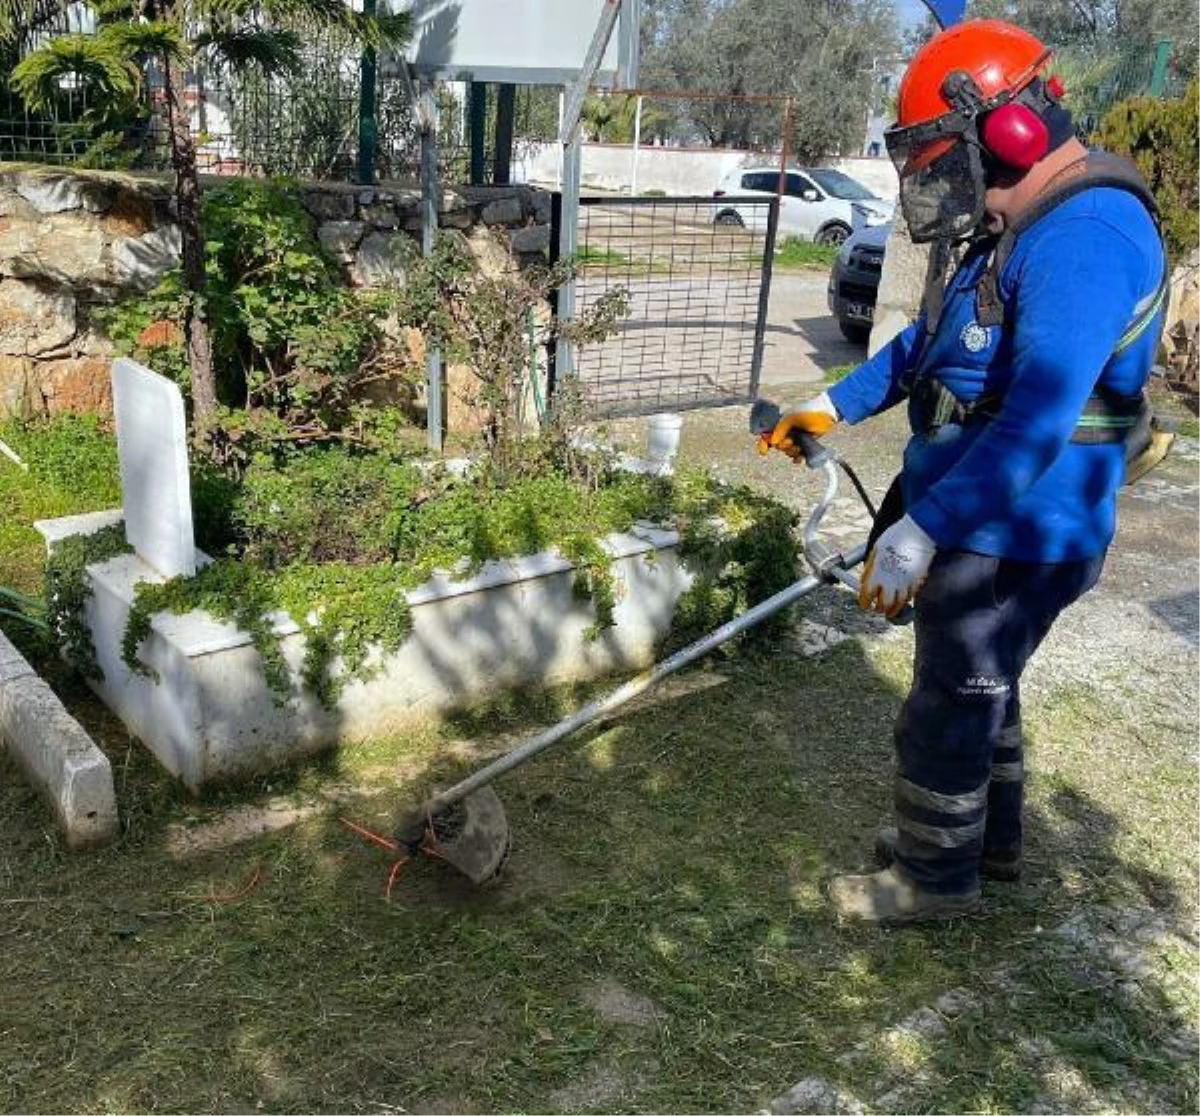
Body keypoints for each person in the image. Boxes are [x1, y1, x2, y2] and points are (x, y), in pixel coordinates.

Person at [767, 19, 1170, 924]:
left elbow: (1036, 420)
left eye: (944, 159)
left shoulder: (1088, 236)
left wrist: (924, 529)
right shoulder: (1022, 222)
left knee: (950, 704)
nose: (938, 183)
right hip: (981, 519)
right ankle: (984, 843)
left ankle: (932, 880)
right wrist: (833, 406)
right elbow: (931, 342)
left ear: (1008, 133)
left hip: (1015, 528)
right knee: (983, 688)